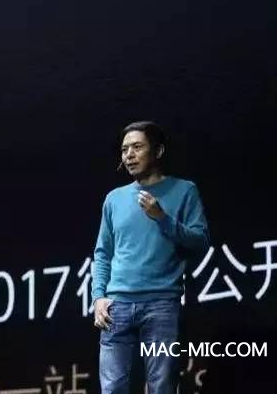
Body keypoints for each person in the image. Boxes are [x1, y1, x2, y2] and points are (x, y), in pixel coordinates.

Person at [91, 120, 210, 394]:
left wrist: (162, 218)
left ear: (158, 151)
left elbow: (200, 241)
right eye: (124, 150)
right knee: (112, 388)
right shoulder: (114, 199)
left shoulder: (184, 190)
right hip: (116, 306)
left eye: (137, 147)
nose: (129, 155)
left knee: (162, 386)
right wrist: (98, 297)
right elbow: (103, 253)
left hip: (162, 304)